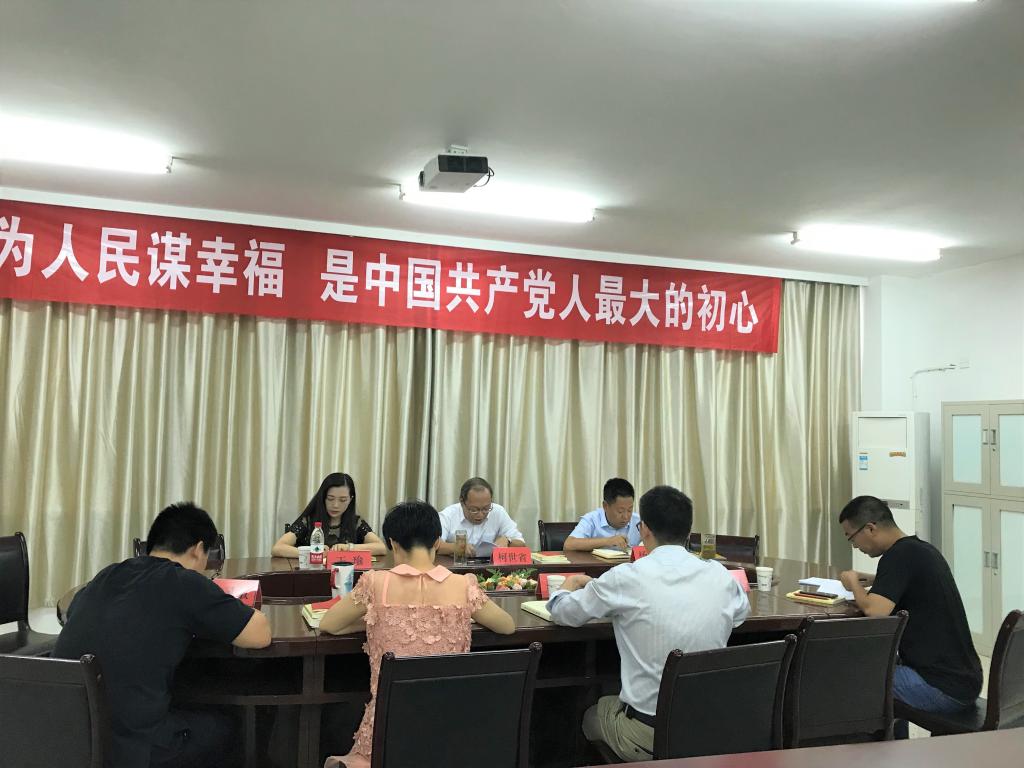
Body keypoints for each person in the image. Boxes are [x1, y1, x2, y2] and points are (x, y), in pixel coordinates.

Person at [53, 502, 272, 768]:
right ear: (198, 549)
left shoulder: (107, 574)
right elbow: (260, 634)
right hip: (132, 748)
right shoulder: (184, 582)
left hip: (67, 737)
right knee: (227, 724)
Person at [549, 485, 750, 762]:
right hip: (709, 728)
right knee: (611, 702)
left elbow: (563, 613)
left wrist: (567, 586)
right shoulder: (720, 575)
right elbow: (740, 614)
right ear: (688, 532)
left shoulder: (626, 577)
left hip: (649, 734)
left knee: (590, 714)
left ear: (643, 529)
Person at [320, 500, 516, 767]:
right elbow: (507, 626)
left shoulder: (376, 583)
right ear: (437, 542)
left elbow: (329, 624)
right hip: (454, 729)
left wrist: (374, 618)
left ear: (393, 543)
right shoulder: (463, 585)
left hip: (389, 727)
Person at [838, 495, 982, 737]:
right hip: (964, 680)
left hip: (940, 686)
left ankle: (883, 751)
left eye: (851, 537)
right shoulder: (920, 550)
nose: (854, 546)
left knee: (855, 678)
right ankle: (896, 745)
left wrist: (853, 582)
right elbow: (905, 582)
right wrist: (874, 580)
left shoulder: (897, 557)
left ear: (870, 528)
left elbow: (875, 611)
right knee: (882, 664)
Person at [272, 472, 386, 557]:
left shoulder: (355, 522)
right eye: (330, 499)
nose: (335, 505)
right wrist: (313, 552)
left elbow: (381, 548)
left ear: (350, 499)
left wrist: (348, 548)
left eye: (342, 500)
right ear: (323, 498)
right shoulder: (309, 520)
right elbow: (278, 548)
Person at [435, 477, 526, 556]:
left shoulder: (498, 512)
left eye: (486, 509)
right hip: (454, 568)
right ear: (462, 502)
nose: (480, 514)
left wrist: (508, 540)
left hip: (489, 568)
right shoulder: (448, 515)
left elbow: (521, 544)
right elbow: (434, 545)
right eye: (474, 510)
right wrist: (456, 547)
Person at [564, 477, 641, 551]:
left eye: (629, 510)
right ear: (605, 506)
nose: (626, 517)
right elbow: (568, 545)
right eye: (620, 511)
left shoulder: (639, 521)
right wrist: (608, 541)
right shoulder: (592, 519)